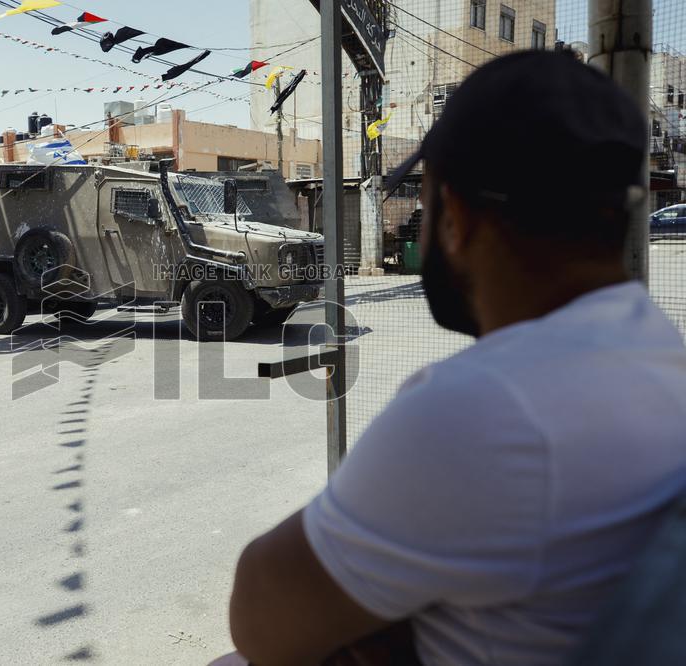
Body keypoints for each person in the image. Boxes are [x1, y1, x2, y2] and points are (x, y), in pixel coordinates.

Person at [225, 51, 686, 666]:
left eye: (429, 196)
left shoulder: (487, 408)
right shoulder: (659, 353)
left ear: (458, 216)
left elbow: (261, 623)